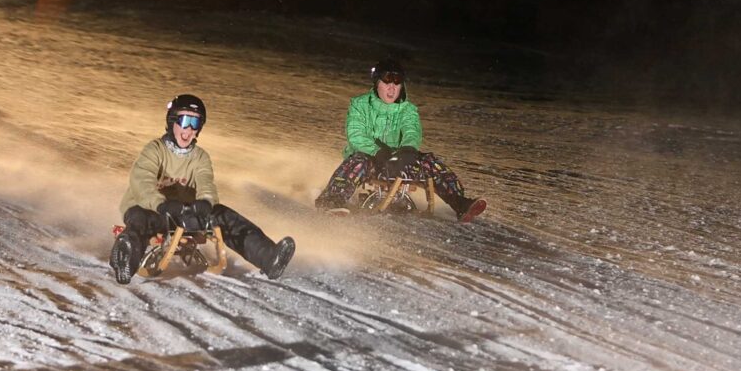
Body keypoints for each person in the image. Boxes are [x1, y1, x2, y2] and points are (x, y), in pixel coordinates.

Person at [109, 94, 296, 284]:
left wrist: (206, 201)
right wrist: (160, 204)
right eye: (185, 120)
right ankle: (125, 259)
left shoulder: (200, 157)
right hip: (151, 209)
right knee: (141, 221)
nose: (189, 129)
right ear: (172, 121)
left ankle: (269, 258)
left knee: (222, 215)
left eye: (195, 123)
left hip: (184, 213)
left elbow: (206, 182)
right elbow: (142, 180)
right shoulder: (155, 150)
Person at [315, 59, 487, 222]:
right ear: (377, 83)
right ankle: (332, 200)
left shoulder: (408, 110)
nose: (392, 88)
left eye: (397, 83)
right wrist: (378, 153)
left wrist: (408, 150)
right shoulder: (360, 105)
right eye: (387, 83)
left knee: (429, 162)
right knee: (358, 162)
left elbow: (412, 131)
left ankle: (460, 203)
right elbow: (356, 134)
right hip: (371, 159)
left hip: (400, 161)